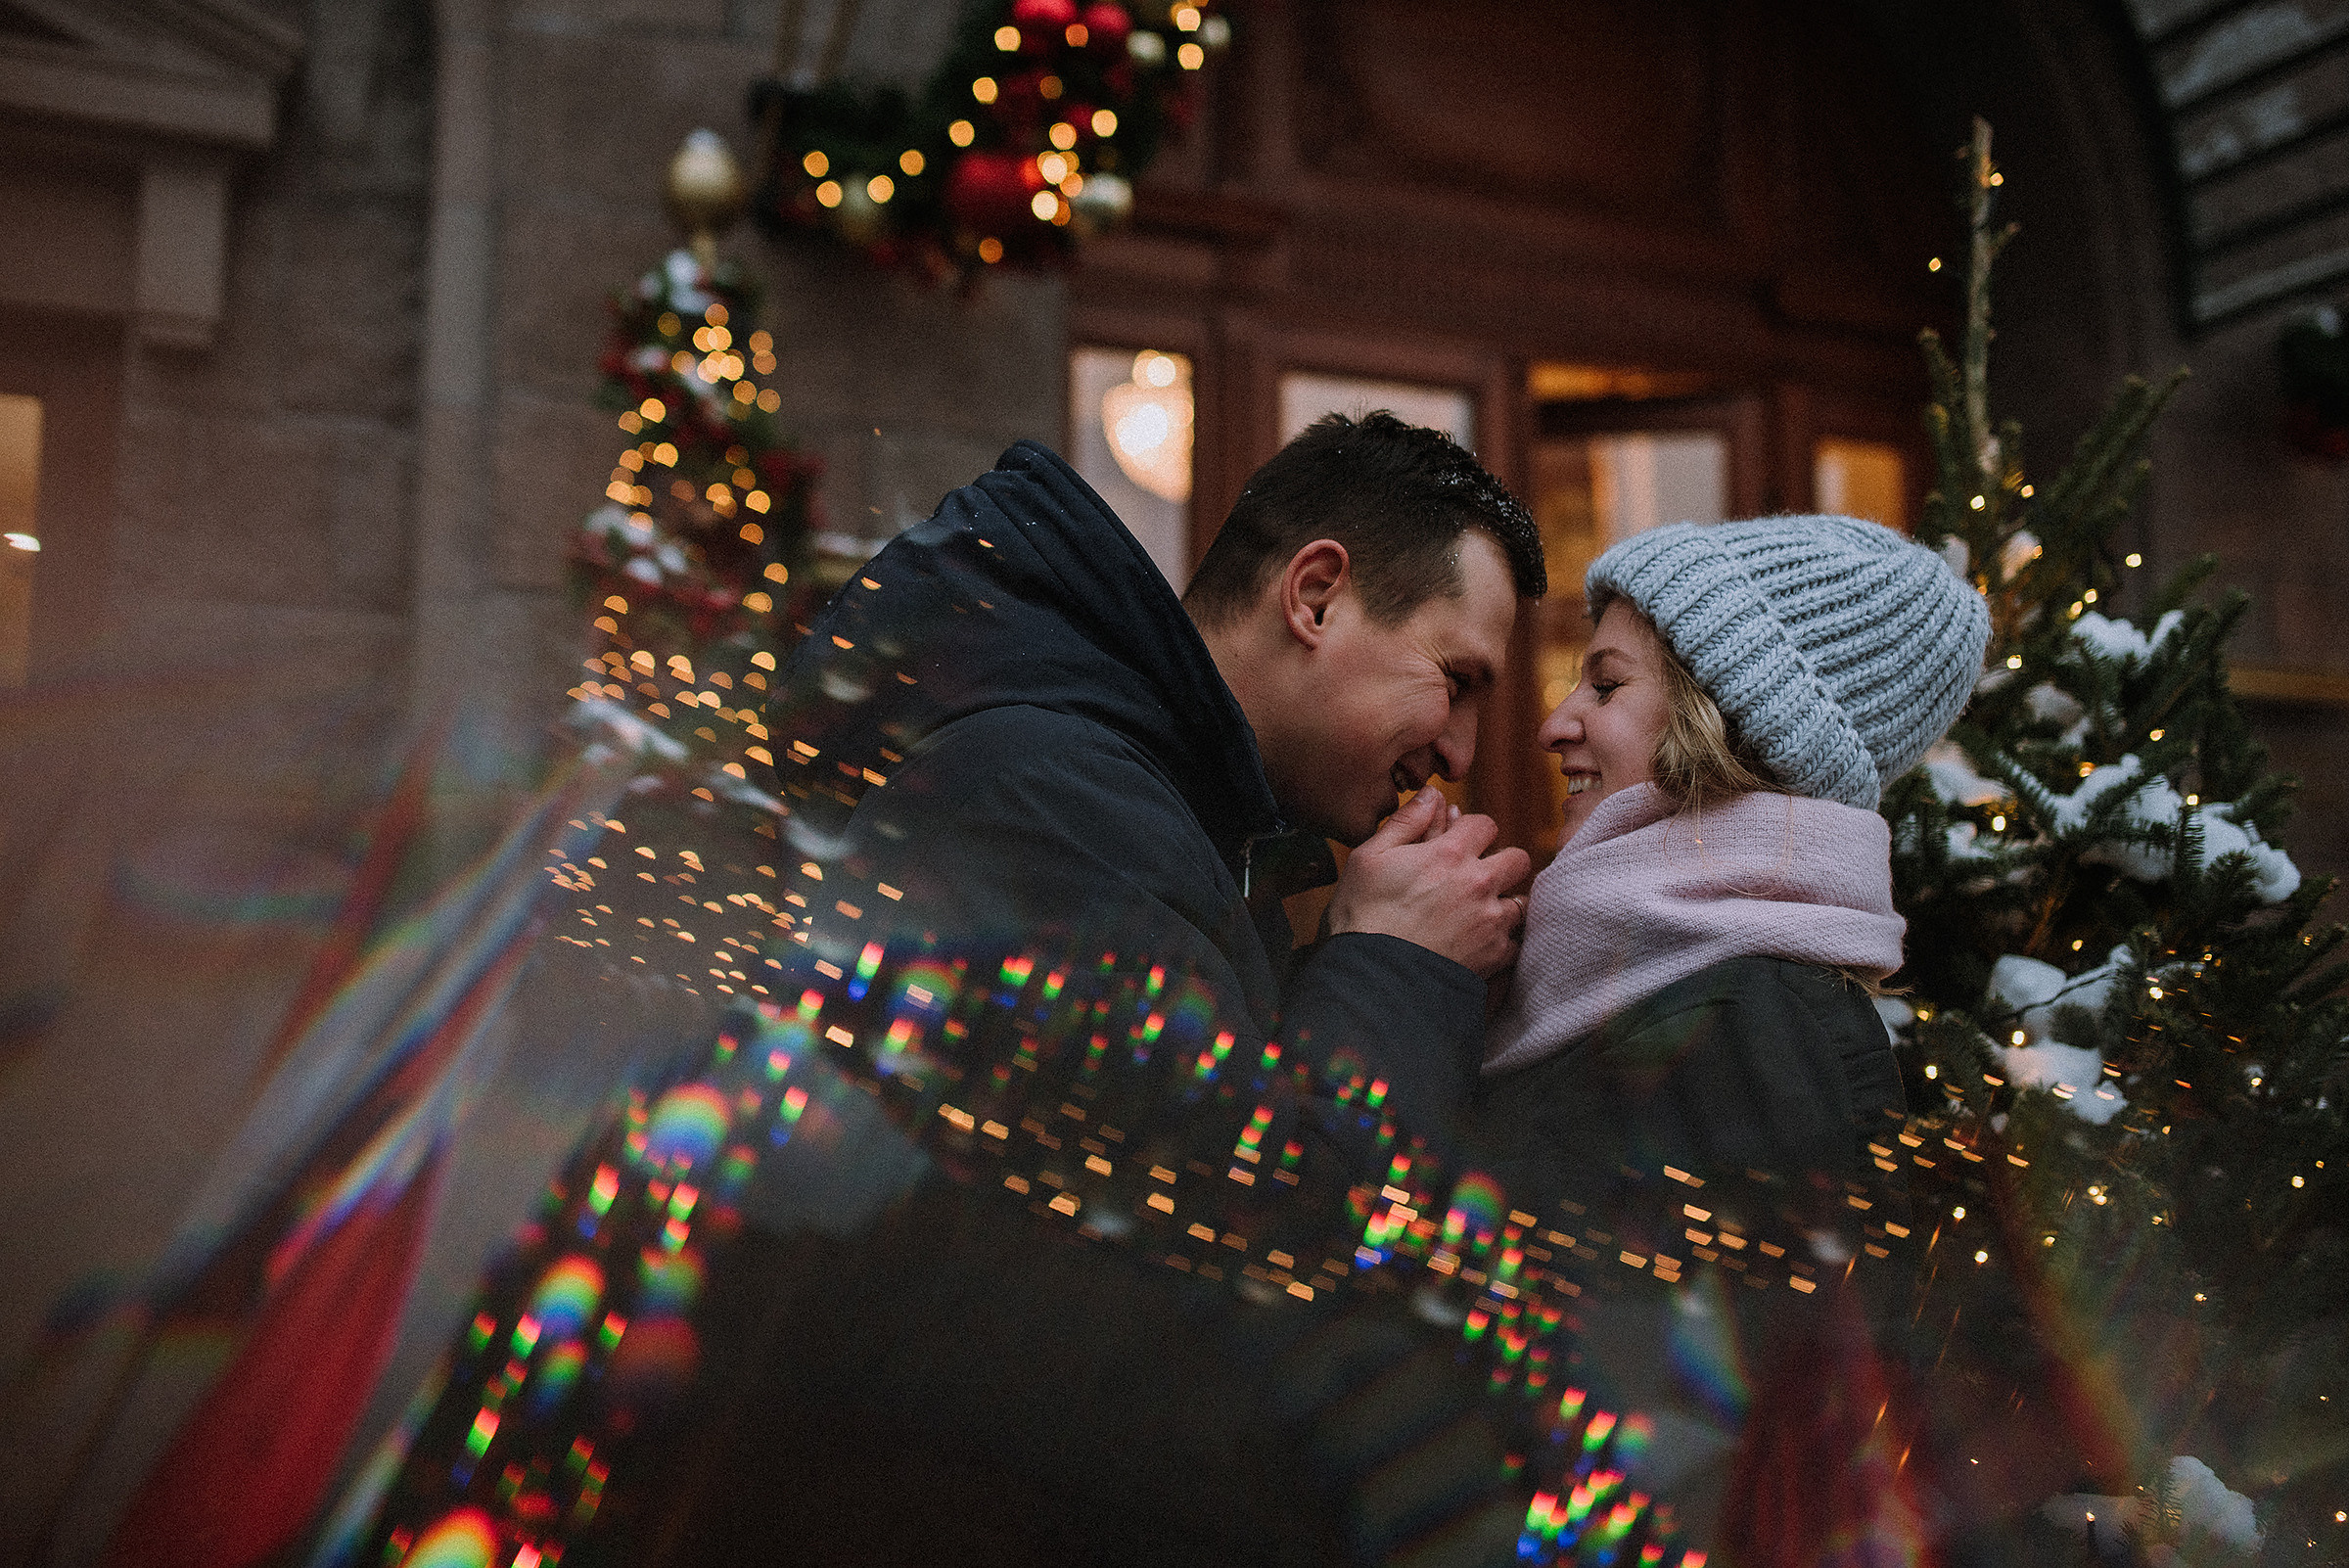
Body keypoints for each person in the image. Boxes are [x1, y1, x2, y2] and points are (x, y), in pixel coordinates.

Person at [602, 414, 1547, 1567]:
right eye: (1457, 681)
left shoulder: (1149, 812)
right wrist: (1397, 963)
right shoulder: (1051, 802)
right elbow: (1245, 1245)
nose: (1461, 747)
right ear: (1316, 596)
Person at [1469, 514, 1990, 1565]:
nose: (1556, 722)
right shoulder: (1650, 971)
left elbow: (1697, 1438)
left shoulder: (1742, 1015)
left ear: (1730, 723)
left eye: (1607, 686)